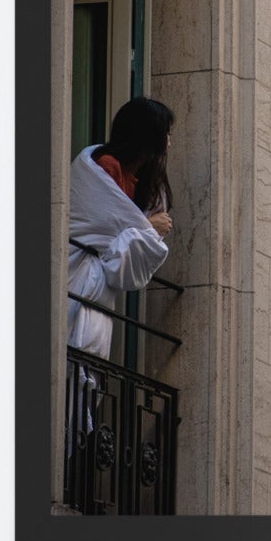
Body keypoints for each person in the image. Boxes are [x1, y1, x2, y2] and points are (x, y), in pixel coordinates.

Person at [67, 96, 175, 358]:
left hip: (100, 285)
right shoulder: (108, 166)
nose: (169, 141)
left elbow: (121, 231)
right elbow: (104, 223)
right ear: (148, 134)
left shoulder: (139, 179)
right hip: (79, 272)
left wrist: (143, 229)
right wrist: (148, 227)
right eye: (166, 133)